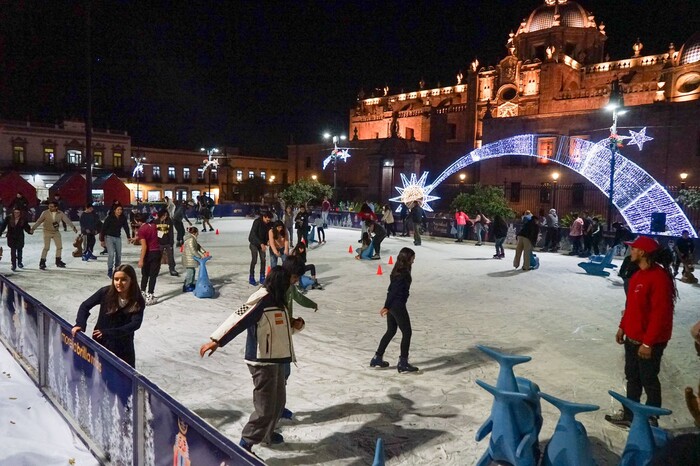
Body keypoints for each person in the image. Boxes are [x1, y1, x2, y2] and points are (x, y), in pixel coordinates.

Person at [199, 267, 297, 454]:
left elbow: (279, 329)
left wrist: (295, 326)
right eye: (287, 282)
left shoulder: (278, 301)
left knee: (278, 402)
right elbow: (238, 319)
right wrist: (216, 341)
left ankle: (267, 434)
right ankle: (247, 442)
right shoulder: (260, 300)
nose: (290, 286)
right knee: (265, 408)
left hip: (278, 359)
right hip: (262, 361)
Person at [605, 236, 677, 428]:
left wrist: (648, 343)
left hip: (649, 341)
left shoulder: (659, 277)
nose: (631, 251)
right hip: (632, 337)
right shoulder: (638, 274)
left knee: (649, 380)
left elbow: (660, 314)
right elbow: (631, 306)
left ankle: (651, 418)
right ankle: (630, 414)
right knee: (633, 377)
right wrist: (623, 327)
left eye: (634, 248)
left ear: (643, 252)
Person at [71, 264, 145, 368]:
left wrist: (109, 333)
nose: (119, 283)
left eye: (123, 279)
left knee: (123, 379)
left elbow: (135, 324)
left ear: (131, 280)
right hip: (102, 342)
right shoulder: (105, 292)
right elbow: (85, 306)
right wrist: (80, 323)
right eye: (116, 279)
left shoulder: (137, 300)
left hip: (123, 346)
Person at [370, 247, 418, 373]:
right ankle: (403, 362)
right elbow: (393, 291)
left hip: (393, 305)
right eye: (412, 258)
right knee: (407, 332)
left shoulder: (398, 270)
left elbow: (390, 290)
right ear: (407, 259)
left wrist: (387, 306)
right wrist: (386, 306)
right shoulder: (403, 274)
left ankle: (377, 357)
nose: (413, 261)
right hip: (397, 305)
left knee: (391, 330)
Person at [31, 200, 78, 270]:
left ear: (56, 207)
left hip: (56, 231)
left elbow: (67, 220)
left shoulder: (60, 213)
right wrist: (33, 228)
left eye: (52, 207)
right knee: (46, 247)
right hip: (47, 231)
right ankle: (42, 262)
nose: (50, 208)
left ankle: (58, 261)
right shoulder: (45, 213)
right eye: (49, 206)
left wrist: (73, 227)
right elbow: (39, 221)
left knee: (59, 247)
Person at [132, 213, 162, 305]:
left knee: (145, 274)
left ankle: (142, 294)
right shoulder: (153, 225)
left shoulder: (141, 230)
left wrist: (141, 259)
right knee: (153, 275)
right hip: (156, 252)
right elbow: (156, 236)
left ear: (138, 221)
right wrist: (137, 238)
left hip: (148, 253)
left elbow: (144, 246)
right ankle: (150, 295)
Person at [99, 203, 132, 279]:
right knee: (111, 254)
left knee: (118, 254)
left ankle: (117, 269)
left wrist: (128, 236)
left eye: (121, 210)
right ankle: (110, 270)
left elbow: (126, 227)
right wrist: (102, 240)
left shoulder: (123, 218)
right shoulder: (110, 218)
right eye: (118, 210)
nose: (120, 211)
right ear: (114, 211)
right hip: (109, 237)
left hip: (117, 237)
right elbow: (103, 228)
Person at [248, 211, 272, 285]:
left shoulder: (268, 224)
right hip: (254, 243)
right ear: (264, 217)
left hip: (262, 244)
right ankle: (251, 276)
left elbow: (268, 234)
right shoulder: (257, 222)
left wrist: (268, 241)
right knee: (254, 259)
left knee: (263, 260)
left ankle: (262, 276)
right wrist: (261, 243)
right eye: (267, 220)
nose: (268, 221)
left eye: (269, 220)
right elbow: (253, 234)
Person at [182, 226, 207, 292]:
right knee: (190, 273)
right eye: (197, 232)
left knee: (192, 271)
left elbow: (198, 246)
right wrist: (199, 256)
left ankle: (190, 283)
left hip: (190, 259)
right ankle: (187, 285)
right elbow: (193, 250)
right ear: (195, 232)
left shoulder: (192, 238)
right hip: (189, 259)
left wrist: (204, 252)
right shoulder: (191, 239)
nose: (198, 234)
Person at [156, 208, 179, 277]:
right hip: (159, 243)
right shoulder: (155, 222)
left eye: (166, 215)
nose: (165, 217)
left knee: (171, 257)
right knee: (158, 257)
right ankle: (156, 270)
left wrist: (171, 243)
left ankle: (172, 269)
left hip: (168, 242)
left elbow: (171, 233)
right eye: (163, 215)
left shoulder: (169, 221)